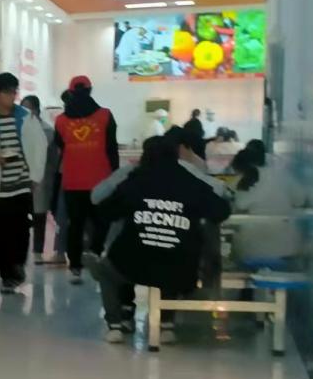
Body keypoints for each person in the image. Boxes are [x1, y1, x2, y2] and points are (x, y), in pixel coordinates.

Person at [90, 135, 231, 343]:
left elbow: (105, 211)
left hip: (133, 263)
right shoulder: (190, 181)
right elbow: (221, 211)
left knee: (106, 269)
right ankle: (166, 326)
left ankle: (115, 325)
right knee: (172, 255)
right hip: (181, 266)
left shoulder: (135, 180)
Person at [0, 72, 47, 293]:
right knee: (0, 234)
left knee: (21, 231)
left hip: (22, 185)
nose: (11, 96)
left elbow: (39, 146)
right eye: (7, 92)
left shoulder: (26, 117)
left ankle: (18, 265)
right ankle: (7, 276)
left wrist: (35, 177)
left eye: (14, 92)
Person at [51, 75, 119, 281]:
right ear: (90, 90)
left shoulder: (61, 121)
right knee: (101, 222)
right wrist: (114, 177)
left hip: (73, 180)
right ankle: (95, 253)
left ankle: (75, 265)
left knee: (75, 223)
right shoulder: (105, 115)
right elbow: (112, 149)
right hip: (101, 180)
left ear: (70, 93)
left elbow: (60, 145)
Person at [23, 95, 60, 265]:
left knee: (39, 217)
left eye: (28, 108)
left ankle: (38, 251)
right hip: (21, 179)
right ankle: (20, 251)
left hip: (42, 180)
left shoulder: (48, 131)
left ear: (37, 110)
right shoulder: (19, 128)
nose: (25, 112)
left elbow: (53, 160)